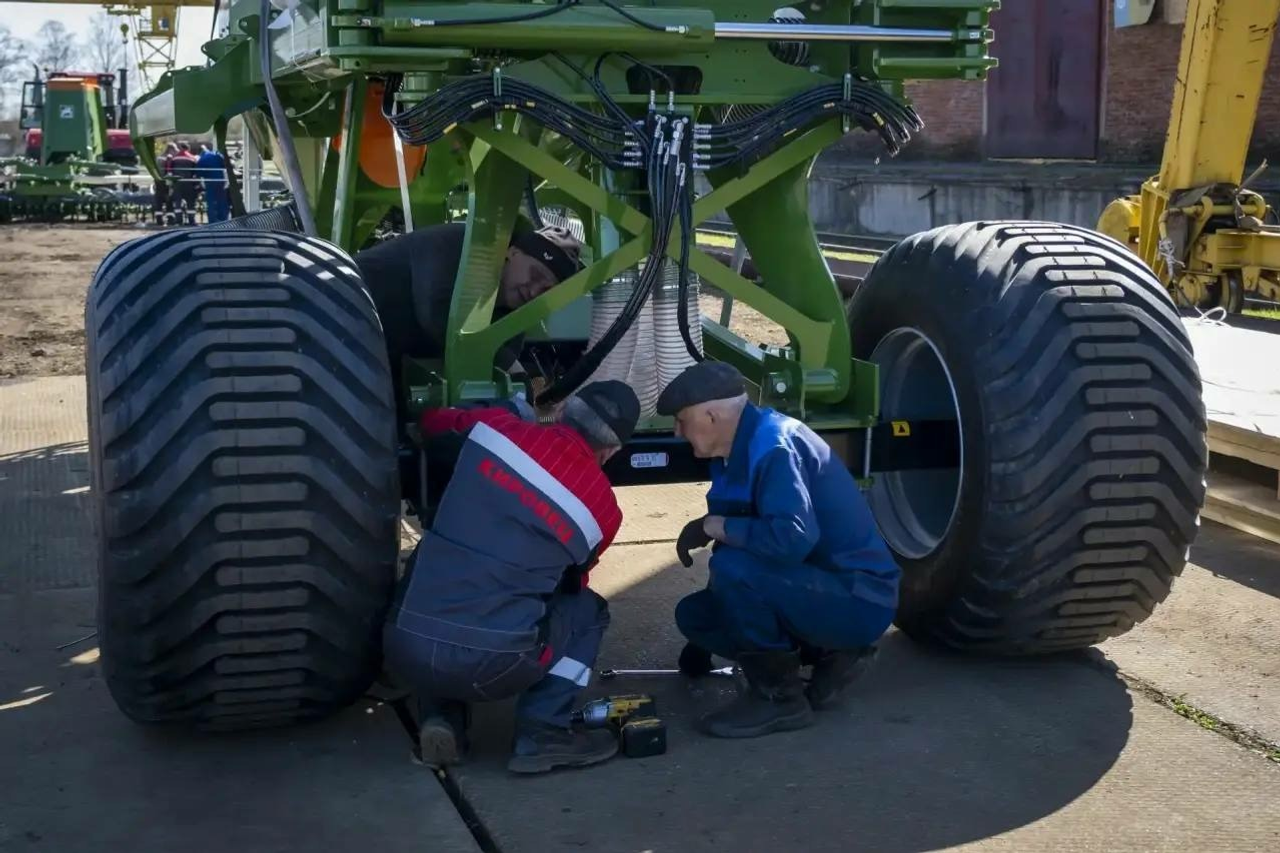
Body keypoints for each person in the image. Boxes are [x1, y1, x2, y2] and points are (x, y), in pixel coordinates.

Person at [383, 380, 641, 775]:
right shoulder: (603, 509)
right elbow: (571, 585)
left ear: (561, 414)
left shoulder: (496, 429)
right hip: (493, 668)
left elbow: (435, 423)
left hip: (404, 647)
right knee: (586, 612)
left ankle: (443, 718)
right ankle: (544, 732)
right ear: (610, 451)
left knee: (436, 569)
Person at [656, 361, 901, 739]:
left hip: (858, 598)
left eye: (681, 420)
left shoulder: (774, 448)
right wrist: (703, 644)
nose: (677, 431)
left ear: (711, 414)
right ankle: (829, 654)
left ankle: (780, 699)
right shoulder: (736, 449)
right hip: (816, 588)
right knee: (696, 616)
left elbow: (791, 540)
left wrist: (716, 526)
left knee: (736, 567)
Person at [353, 222, 583, 380]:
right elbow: (436, 313)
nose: (534, 292)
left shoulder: (513, 312)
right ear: (512, 252)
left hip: (384, 361)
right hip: (346, 319)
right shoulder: (459, 244)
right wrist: (509, 364)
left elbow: (512, 369)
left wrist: (543, 405)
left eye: (545, 290)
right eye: (535, 275)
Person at [196, 144, 230, 222]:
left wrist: (202, 183)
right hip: (220, 180)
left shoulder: (202, 159)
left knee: (210, 201)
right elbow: (224, 166)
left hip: (210, 182)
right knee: (221, 200)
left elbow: (199, 173)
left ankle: (212, 220)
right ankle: (223, 218)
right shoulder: (216, 155)